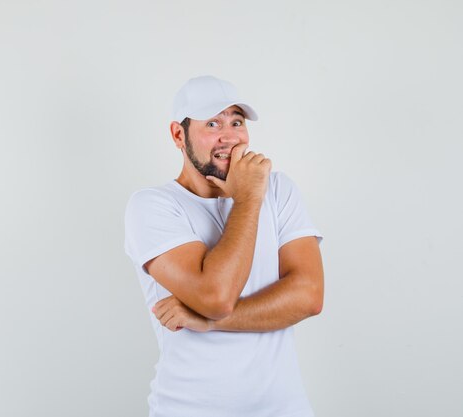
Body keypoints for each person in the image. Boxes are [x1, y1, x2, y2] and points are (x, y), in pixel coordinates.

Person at [124, 75, 324, 417]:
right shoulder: (152, 206)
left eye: (236, 121)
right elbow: (215, 297)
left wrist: (210, 323)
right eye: (212, 123)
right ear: (178, 134)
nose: (229, 136)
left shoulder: (276, 189)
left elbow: (308, 296)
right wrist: (246, 199)